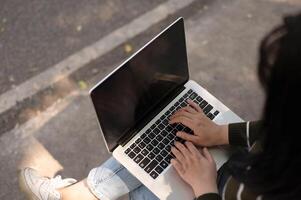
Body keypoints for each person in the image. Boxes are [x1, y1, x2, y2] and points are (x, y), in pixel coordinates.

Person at [19, 12, 301, 200]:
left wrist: (204, 187)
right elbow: (278, 130)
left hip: (219, 191)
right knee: (162, 136)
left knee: (149, 186)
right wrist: (219, 133)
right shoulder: (286, 135)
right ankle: (83, 193)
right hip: (247, 167)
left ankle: (79, 195)